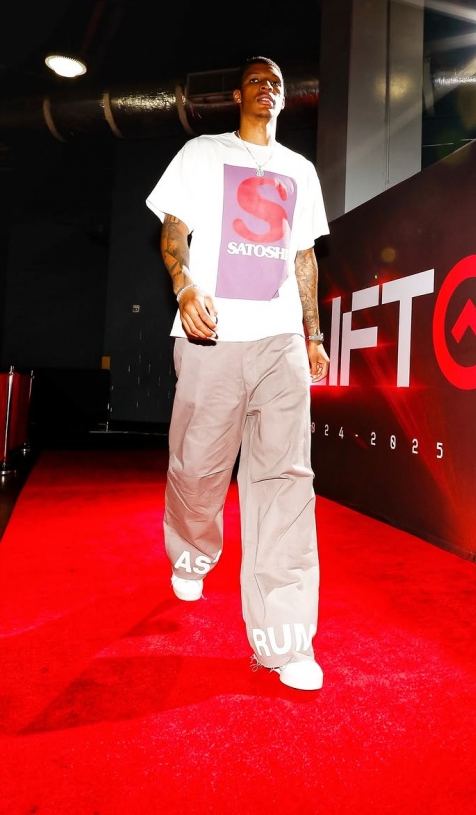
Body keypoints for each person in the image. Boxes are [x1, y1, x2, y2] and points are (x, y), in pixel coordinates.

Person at [146, 56, 330, 691]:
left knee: (286, 478)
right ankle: (193, 549)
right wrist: (184, 288)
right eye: (256, 80)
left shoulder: (300, 170)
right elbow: (174, 232)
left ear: (284, 98)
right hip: (212, 333)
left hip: (280, 339)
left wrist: (312, 335)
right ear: (237, 94)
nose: (266, 88)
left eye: (276, 82)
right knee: (197, 465)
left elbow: (304, 258)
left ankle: (286, 637)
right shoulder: (203, 153)